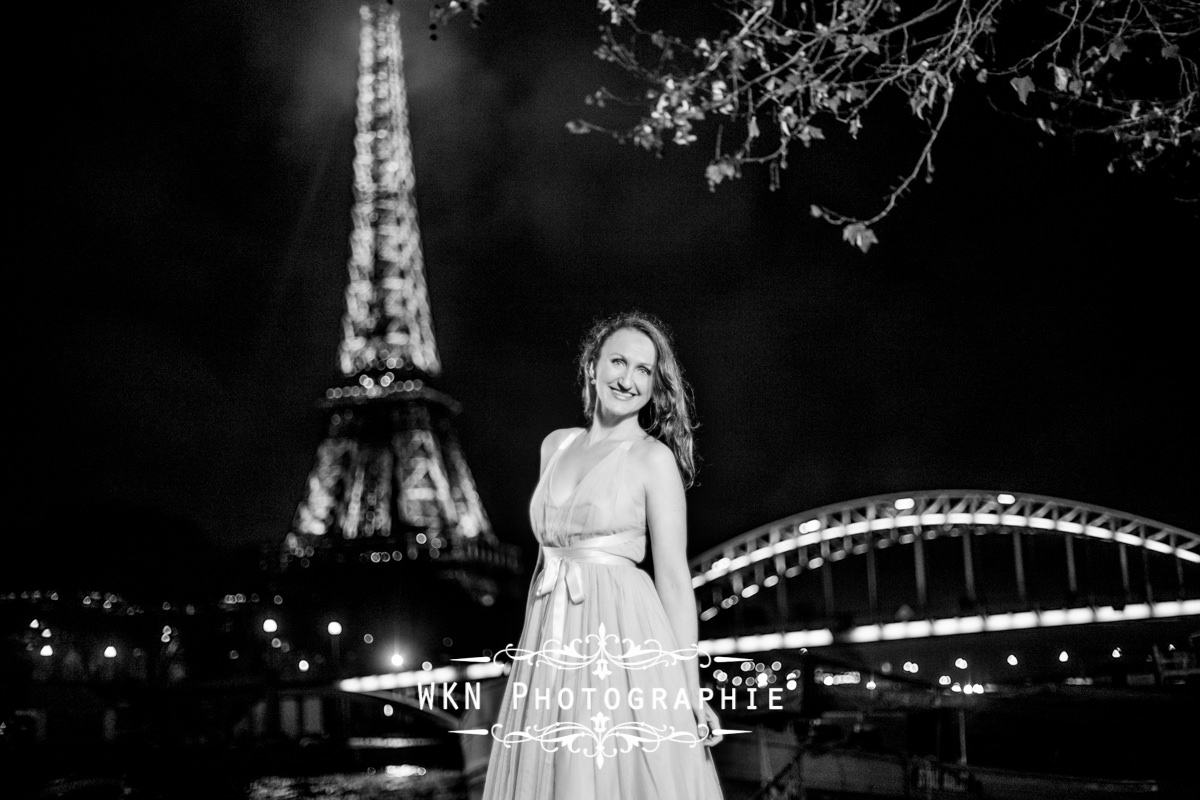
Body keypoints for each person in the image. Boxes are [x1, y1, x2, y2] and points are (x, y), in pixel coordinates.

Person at [480, 311, 725, 799]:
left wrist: (689, 687)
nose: (628, 380)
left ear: (655, 386)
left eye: (643, 371)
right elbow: (547, 561)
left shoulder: (653, 460)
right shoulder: (555, 446)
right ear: (592, 366)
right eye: (618, 362)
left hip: (623, 636)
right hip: (551, 638)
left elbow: (675, 579)